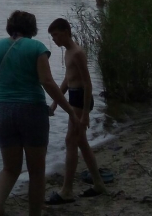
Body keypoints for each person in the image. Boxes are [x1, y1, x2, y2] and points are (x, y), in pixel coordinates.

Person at [0, 10, 81, 216]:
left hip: (2, 111)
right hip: (32, 110)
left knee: (9, 169)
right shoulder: (37, 47)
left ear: (11, 26)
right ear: (31, 28)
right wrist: (69, 110)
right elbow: (47, 82)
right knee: (36, 172)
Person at [46, 17, 107, 203]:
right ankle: (98, 183)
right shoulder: (67, 52)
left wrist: (86, 114)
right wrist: (56, 102)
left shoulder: (77, 52)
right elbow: (67, 80)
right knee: (80, 141)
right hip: (74, 97)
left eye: (55, 35)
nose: (54, 39)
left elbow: (87, 83)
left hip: (82, 99)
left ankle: (67, 190)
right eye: (52, 36)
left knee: (71, 140)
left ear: (65, 32)